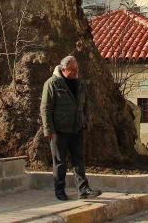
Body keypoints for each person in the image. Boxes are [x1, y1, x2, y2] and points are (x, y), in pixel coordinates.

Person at [40, 55, 102, 201]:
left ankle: (84, 189)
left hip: (77, 128)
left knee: (79, 160)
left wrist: (85, 120)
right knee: (60, 162)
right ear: (63, 69)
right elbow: (45, 108)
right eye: (72, 70)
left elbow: (84, 104)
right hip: (59, 130)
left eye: (77, 69)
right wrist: (49, 130)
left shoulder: (79, 83)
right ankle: (59, 190)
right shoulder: (52, 84)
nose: (75, 72)